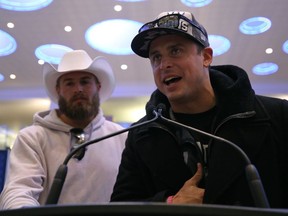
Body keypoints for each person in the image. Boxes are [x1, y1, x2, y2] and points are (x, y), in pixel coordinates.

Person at [111, 11, 288, 208]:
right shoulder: (140, 134)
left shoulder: (277, 115)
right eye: (156, 57)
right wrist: (169, 204)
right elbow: (120, 206)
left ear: (206, 56)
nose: (164, 65)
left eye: (175, 51)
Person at [0, 50, 127, 209]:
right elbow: (19, 189)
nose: (78, 89)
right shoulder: (32, 137)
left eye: (85, 81)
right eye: (69, 83)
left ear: (98, 87)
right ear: (58, 90)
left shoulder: (122, 137)